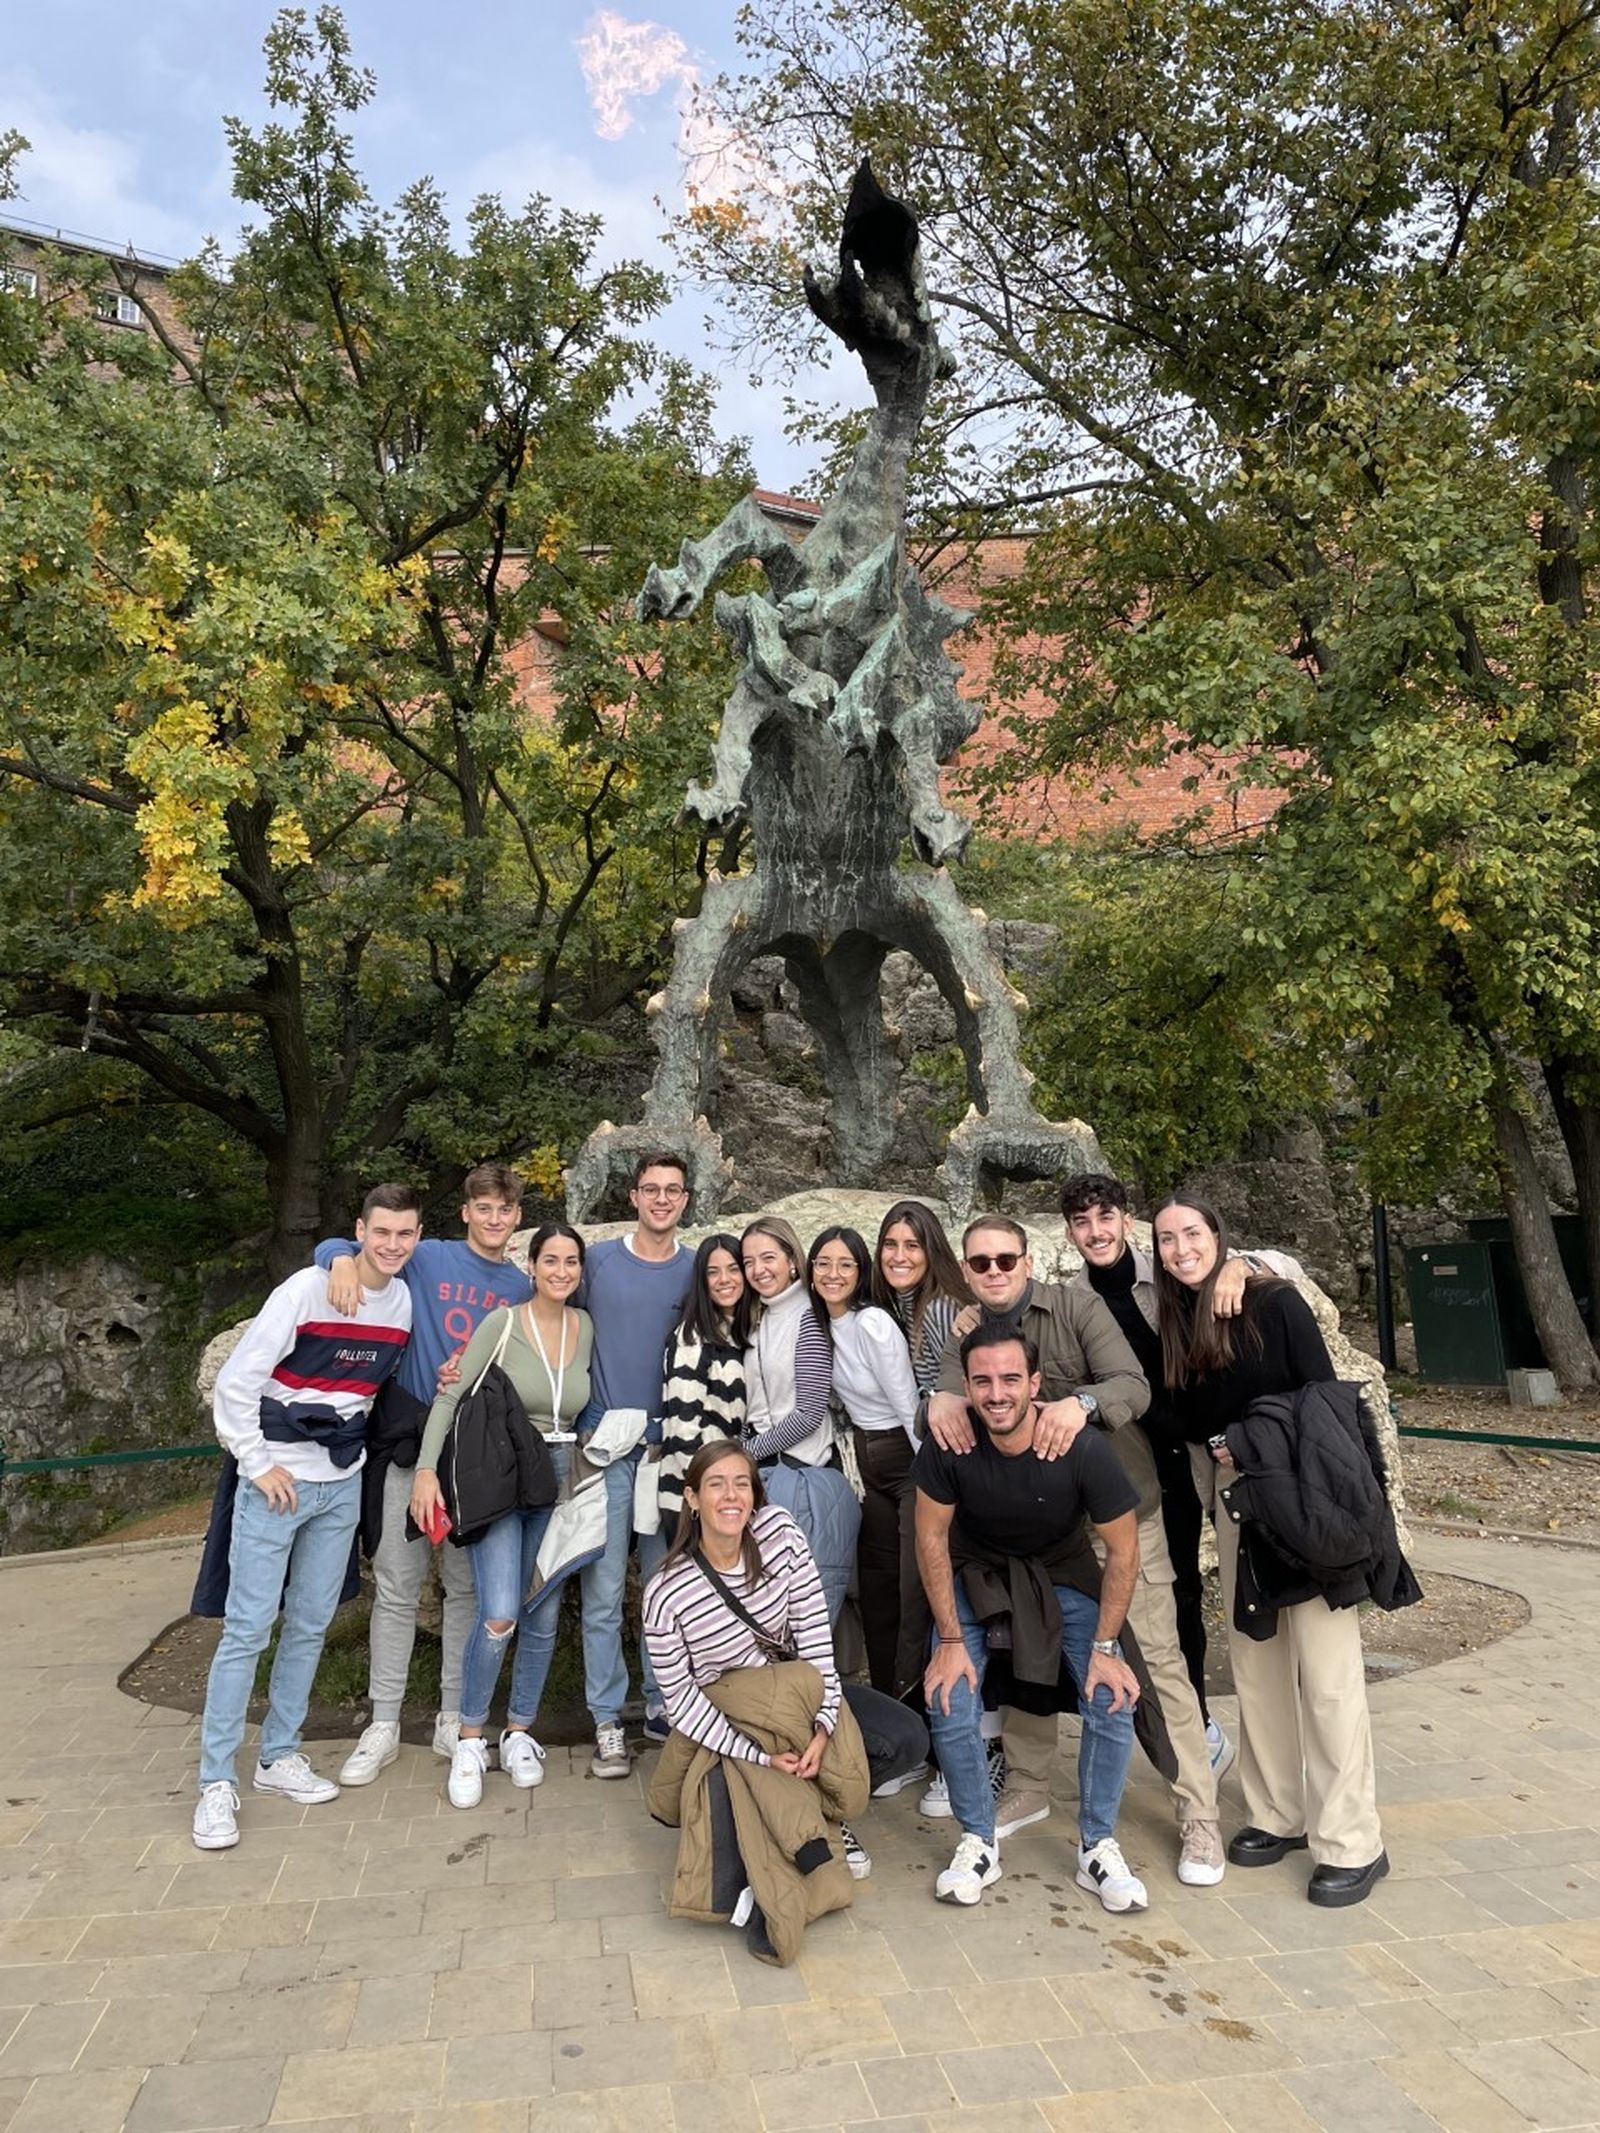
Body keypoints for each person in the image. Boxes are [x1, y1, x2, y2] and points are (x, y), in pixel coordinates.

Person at [1152, 1196, 1392, 1907]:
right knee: (1257, 1662)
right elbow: (1186, 1414)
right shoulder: (1179, 1320)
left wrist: (1251, 1264)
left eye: (1192, 1233)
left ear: (1219, 1237)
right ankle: (1276, 1812)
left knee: (1327, 1673)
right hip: (1239, 1507)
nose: (1179, 1247)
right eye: (1166, 1238)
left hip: (1304, 1502)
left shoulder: (1273, 1301)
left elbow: (1322, 1401)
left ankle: (1353, 1841)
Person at [925, 1218, 1176, 1863]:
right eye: (979, 1263)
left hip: (1105, 1514)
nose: (994, 1271)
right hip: (1003, 1550)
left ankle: (1191, 1797)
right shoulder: (967, 1338)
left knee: (1144, 1668)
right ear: (968, 1272)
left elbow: (1133, 1385)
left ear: (1028, 1260)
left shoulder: (1075, 1304)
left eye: (1005, 1258)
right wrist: (937, 1400)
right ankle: (1008, 1807)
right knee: (1007, 1675)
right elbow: (936, 1511)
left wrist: (1081, 1406)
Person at [192, 1185, 420, 1852]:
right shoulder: (305, 1290)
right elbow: (239, 1380)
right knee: (247, 1628)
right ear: (360, 1230)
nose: (393, 1245)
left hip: (339, 1484)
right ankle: (214, 1782)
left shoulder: (401, 1303)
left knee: (312, 1622)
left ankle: (278, 1754)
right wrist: (259, 1463)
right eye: (381, 1232)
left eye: (405, 1233)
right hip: (279, 1483)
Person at [1062, 1172, 1304, 1777]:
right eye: (1082, 1223)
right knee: (1167, 1596)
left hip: (1203, 1447)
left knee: (1197, 1589)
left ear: (1125, 1220)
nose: (1096, 1232)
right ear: (1070, 1233)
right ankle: (1195, 1726)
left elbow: (1279, 1267)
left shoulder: (1168, 1269)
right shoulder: (1073, 1299)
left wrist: (1242, 1262)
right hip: (1141, 1456)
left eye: (1105, 1217)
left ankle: (1212, 1729)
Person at [915, 1321, 1148, 1912]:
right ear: (966, 1386)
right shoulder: (952, 1443)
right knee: (948, 1691)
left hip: (1060, 1575)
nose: (997, 1394)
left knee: (1112, 1694)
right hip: (978, 1574)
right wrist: (948, 1639)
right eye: (983, 1381)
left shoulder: (1081, 1448)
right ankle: (977, 1838)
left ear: (1035, 1383)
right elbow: (932, 1541)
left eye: (1011, 1379)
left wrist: (1107, 1647)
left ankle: (1097, 1846)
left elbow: (1123, 1550)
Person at [315, 1161, 533, 1782]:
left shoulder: (519, 1287)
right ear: (465, 1211)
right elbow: (350, 1248)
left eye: (505, 1211)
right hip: (408, 1442)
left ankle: (450, 1714)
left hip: (472, 1453)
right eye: (483, 1208)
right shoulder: (427, 1255)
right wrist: (336, 1259)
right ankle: (382, 1720)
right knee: (397, 1586)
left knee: (466, 1587)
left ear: (517, 1219)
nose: (493, 1220)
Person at [643, 1441, 928, 1906]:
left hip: (794, 1694)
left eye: (742, 1484)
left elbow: (816, 1644)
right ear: (692, 1499)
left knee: (905, 1737)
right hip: (726, 1718)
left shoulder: (779, 1533)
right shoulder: (666, 1591)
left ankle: (818, 1808)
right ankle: (792, 1827)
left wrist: (823, 1728)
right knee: (739, 1798)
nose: (731, 1496)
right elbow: (683, 1704)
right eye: (716, 1485)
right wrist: (755, 1755)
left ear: (755, 1494)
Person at [411, 1223, 593, 1809]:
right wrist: (425, 1470)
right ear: (531, 1265)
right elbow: (450, 1394)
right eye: (551, 1261)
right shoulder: (504, 1323)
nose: (561, 1271)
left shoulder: (584, 1327)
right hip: (505, 1471)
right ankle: (469, 1737)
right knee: (499, 1613)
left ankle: (519, 1731)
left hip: (562, 1475)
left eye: (571, 1262)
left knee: (541, 1613)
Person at [575, 1153, 695, 1777]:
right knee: (601, 1588)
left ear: (685, 1199)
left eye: (673, 1190)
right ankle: (604, 1715)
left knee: (664, 1589)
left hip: (669, 1450)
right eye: (651, 1189)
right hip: (604, 1445)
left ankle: (662, 1704)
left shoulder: (697, 1268)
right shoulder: (598, 1262)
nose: (661, 1199)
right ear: (632, 1196)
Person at [809, 1226, 924, 1713]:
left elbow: (905, 1401)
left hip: (906, 1458)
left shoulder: (872, 1323)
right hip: (866, 1462)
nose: (833, 1274)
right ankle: (890, 1710)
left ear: (861, 1272)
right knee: (877, 1595)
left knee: (912, 1593)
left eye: (845, 1265)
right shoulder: (819, 1325)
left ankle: (930, 1721)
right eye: (823, 1263)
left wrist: (931, 1478)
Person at [740, 1216, 861, 1626]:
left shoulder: (808, 1317)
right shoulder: (759, 1319)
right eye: (749, 1261)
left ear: (793, 1261)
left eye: (769, 1257)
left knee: (802, 1619)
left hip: (802, 1479)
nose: (758, 1269)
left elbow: (808, 1414)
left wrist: (744, 1453)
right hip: (765, 1477)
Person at [657, 1233, 749, 1542]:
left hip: (724, 1495)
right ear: (701, 1280)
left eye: (734, 1268)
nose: (724, 1279)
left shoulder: (738, 1333)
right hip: (694, 1500)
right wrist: (718, 1494)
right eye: (713, 1271)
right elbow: (682, 1433)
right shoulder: (692, 1338)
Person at [872, 1200, 973, 1394]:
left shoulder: (939, 1309)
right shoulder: (903, 1301)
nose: (899, 1256)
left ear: (931, 1252)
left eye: (912, 1245)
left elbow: (960, 1389)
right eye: (890, 1244)